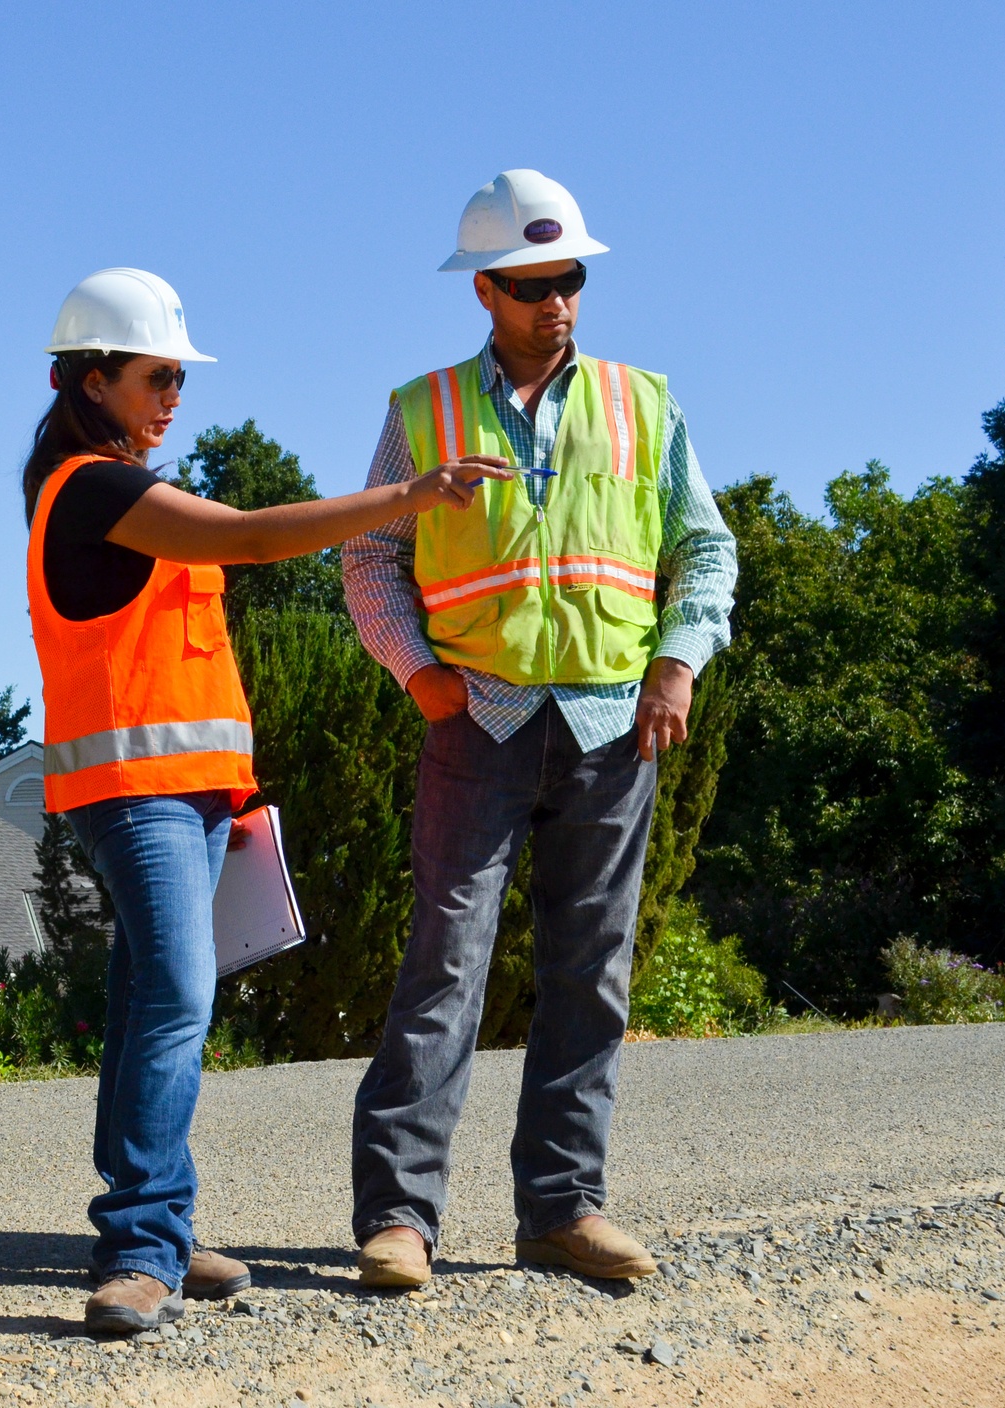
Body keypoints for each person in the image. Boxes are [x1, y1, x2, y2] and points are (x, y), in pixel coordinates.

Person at [24, 267, 502, 1333]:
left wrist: (228, 791)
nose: (172, 397)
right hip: (135, 794)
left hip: (185, 792)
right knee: (173, 1004)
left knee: (152, 1002)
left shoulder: (113, 486)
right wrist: (408, 497)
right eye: (155, 376)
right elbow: (245, 534)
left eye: (176, 379)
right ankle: (140, 1245)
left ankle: (158, 1228)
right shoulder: (92, 489)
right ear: (91, 380)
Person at [342, 170, 738, 1288]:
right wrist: (414, 670)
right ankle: (399, 1219)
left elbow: (703, 548)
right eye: (529, 284)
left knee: (591, 971)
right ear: (484, 290)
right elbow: (368, 552)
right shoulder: (419, 410)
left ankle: (561, 1209)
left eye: (568, 278)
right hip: (477, 715)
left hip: (617, 721)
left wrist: (676, 663)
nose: (555, 300)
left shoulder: (642, 402)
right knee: (443, 965)